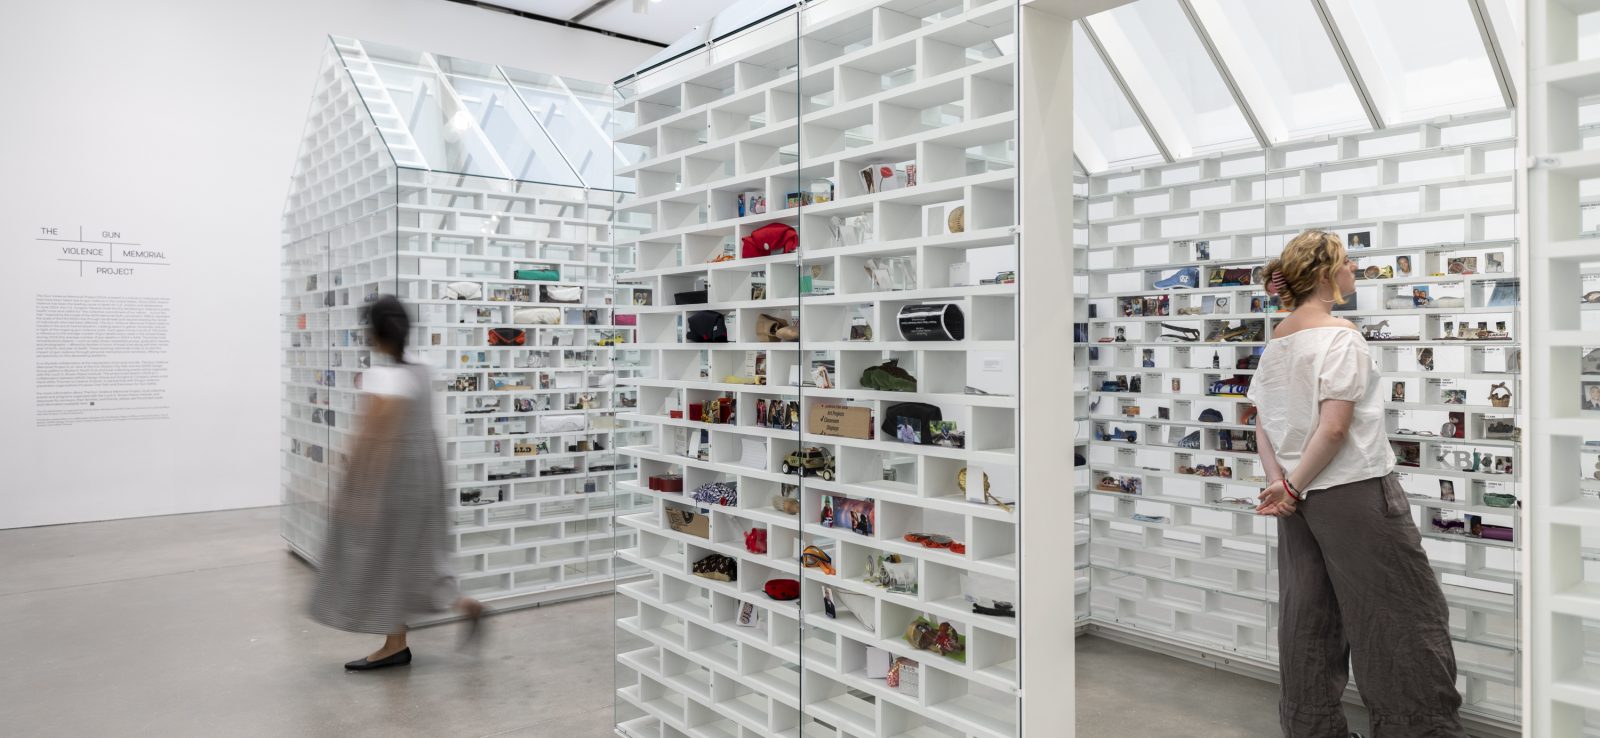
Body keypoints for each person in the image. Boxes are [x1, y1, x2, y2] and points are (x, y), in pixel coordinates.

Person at [1247, 230, 1466, 737]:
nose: (1354, 271)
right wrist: (1295, 486)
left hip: (1297, 498)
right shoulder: (1340, 336)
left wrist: (1282, 484)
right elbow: (1335, 427)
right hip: (1351, 493)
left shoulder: (1278, 341)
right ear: (1325, 275)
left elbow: (1262, 423)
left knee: (1308, 619)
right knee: (1401, 615)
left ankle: (1313, 729)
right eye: (1348, 263)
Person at [310, 295, 484, 671]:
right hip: (425, 477)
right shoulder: (421, 370)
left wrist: (354, 489)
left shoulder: (384, 377)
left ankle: (396, 644)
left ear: (374, 334)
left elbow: (373, 436)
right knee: (414, 558)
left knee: (380, 558)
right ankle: (450, 612)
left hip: (394, 481)